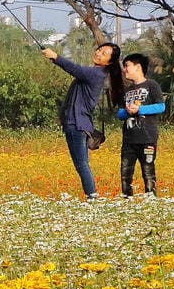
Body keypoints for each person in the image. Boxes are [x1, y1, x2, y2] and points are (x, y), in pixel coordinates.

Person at [41, 42, 122, 199]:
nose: (98, 53)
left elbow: (73, 68)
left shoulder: (96, 73)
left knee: (81, 165)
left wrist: (55, 56)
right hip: (80, 124)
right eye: (99, 50)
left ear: (109, 62)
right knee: (82, 164)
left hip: (77, 124)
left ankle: (92, 197)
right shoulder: (96, 73)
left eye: (104, 53)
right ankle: (92, 196)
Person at [116, 52, 164, 196]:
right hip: (129, 140)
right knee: (125, 174)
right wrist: (127, 112)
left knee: (148, 172)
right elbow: (119, 114)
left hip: (147, 139)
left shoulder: (151, 85)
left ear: (137, 67)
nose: (124, 70)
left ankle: (151, 200)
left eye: (127, 66)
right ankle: (127, 200)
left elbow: (161, 106)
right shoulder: (127, 90)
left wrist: (140, 109)